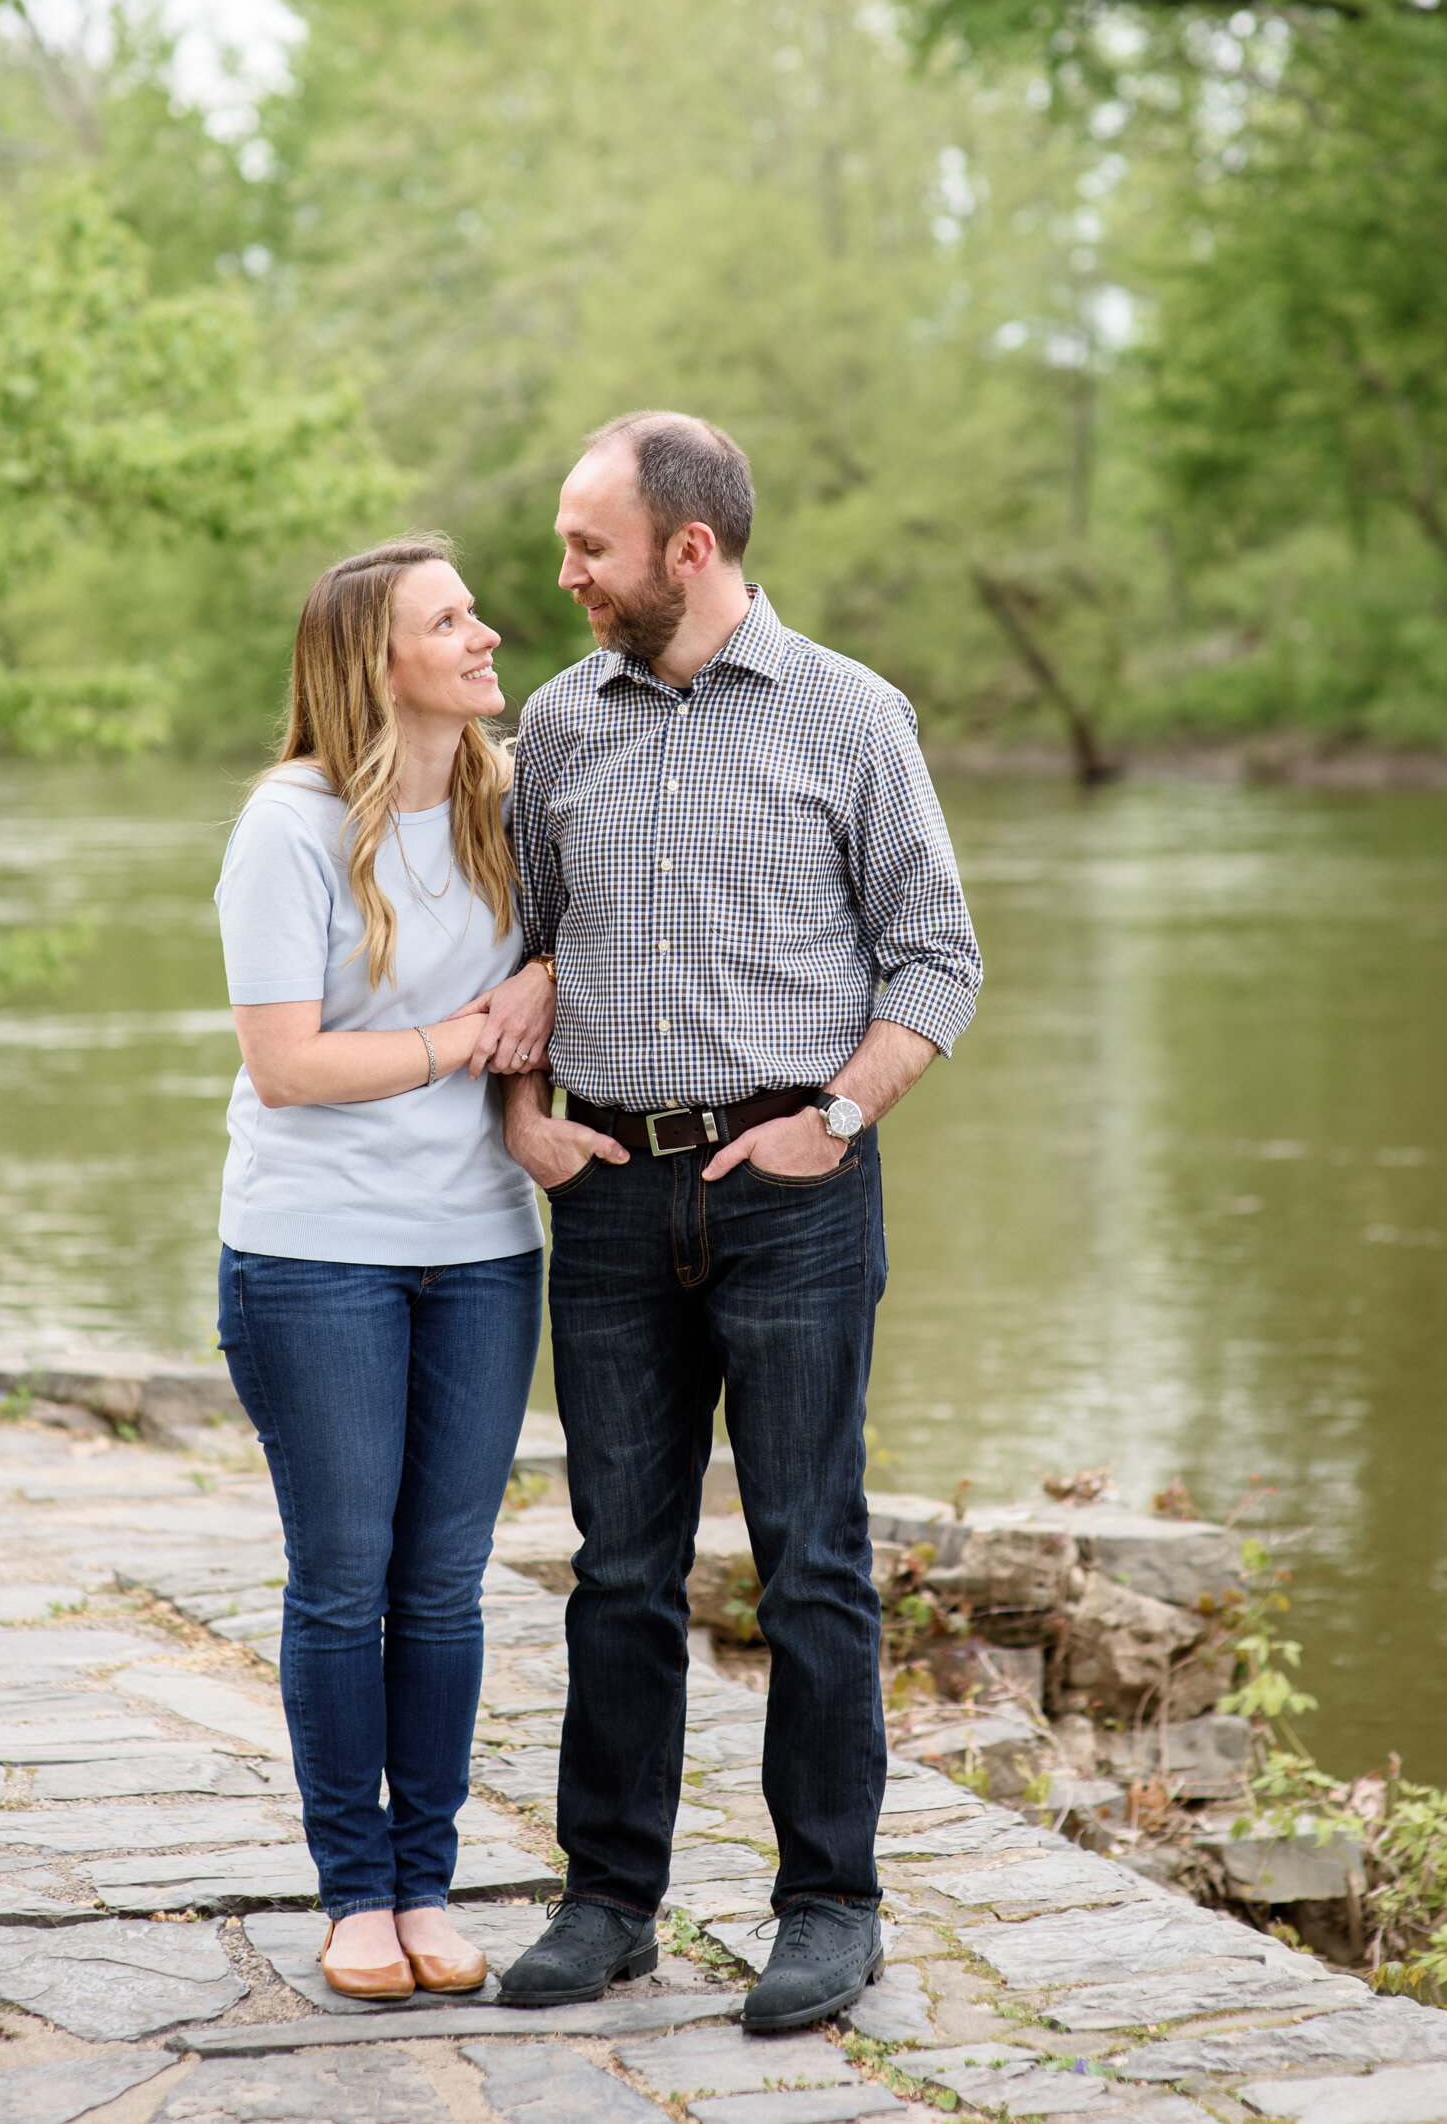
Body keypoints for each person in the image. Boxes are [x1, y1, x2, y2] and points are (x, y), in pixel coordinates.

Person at [495, 412, 983, 2033]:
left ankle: (829, 1907)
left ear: (686, 550)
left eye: (589, 547)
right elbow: (524, 968)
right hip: (614, 1203)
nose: (562, 576)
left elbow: (937, 958)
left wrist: (832, 1121)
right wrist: (530, 1128)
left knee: (809, 1565)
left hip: (795, 1199)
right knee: (617, 1568)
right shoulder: (557, 732)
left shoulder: (851, 716)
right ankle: (608, 1901)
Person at [214, 535, 557, 2002]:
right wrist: (463, 1038)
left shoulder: (504, 801)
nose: (487, 635)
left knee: (444, 1588)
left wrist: (534, 1029)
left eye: (474, 611)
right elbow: (287, 1064)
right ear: (379, 662)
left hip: (480, 1250)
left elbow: (551, 985)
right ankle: (355, 1895)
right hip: (315, 1258)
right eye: (450, 619)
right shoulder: (285, 826)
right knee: (342, 1583)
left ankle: (429, 1881)